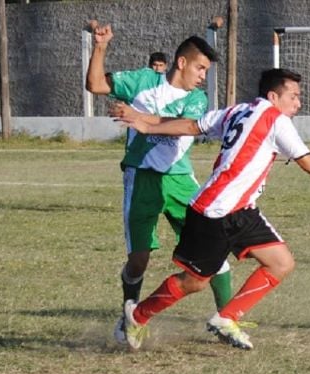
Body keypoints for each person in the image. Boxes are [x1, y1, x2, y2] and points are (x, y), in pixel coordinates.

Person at [115, 68, 310, 351]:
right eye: (293, 97)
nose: (298, 103)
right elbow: (307, 163)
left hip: (240, 209)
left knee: (281, 263)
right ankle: (137, 315)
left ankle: (227, 317)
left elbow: (190, 126)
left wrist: (147, 125)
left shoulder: (237, 111)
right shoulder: (275, 120)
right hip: (215, 212)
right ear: (273, 96)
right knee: (194, 283)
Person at [85, 25, 234, 345]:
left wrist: (140, 119)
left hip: (181, 181)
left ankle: (229, 319)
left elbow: (184, 129)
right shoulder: (142, 82)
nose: (202, 76)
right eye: (200, 68)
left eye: (206, 71)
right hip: (141, 178)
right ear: (182, 62)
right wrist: (100, 46)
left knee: (213, 249)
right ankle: (130, 314)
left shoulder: (197, 98)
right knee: (139, 259)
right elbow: (96, 84)